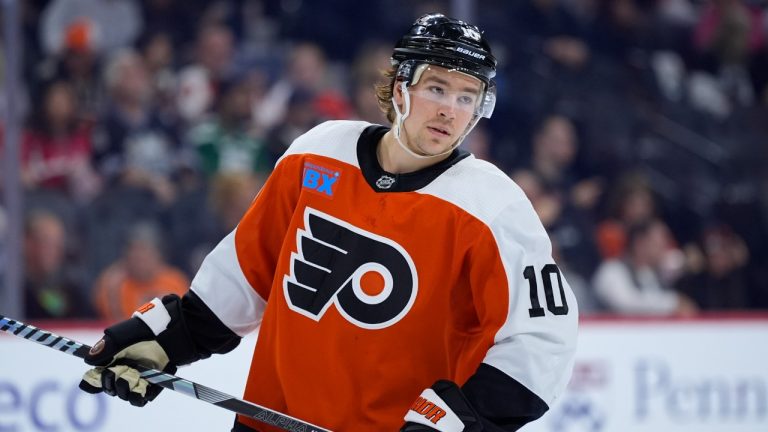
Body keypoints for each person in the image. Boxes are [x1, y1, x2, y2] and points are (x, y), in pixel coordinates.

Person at [78, 13, 578, 432]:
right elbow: (245, 274)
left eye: (467, 96)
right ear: (399, 86)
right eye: (437, 87)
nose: (450, 109)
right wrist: (168, 339)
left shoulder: (492, 207)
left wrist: (457, 419)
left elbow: (542, 343)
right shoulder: (319, 152)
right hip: (267, 423)